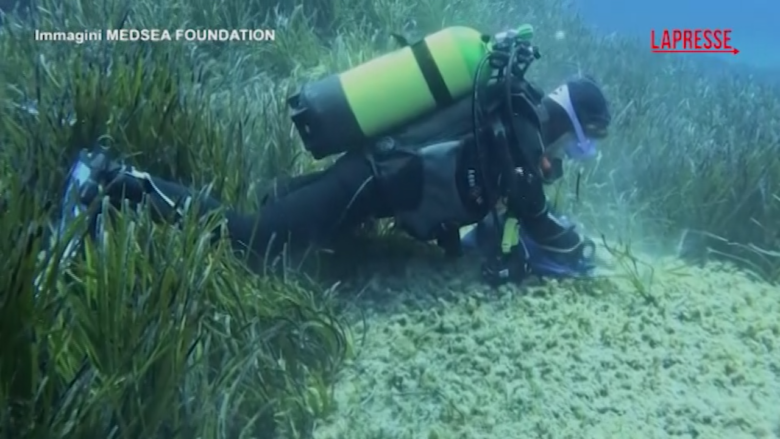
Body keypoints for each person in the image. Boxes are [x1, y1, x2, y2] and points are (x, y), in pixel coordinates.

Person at [63, 27, 611, 286]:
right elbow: (544, 227)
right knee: (253, 242)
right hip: (370, 179)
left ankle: (127, 194)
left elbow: (499, 220)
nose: (570, 158)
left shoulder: (513, 116)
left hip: (371, 181)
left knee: (281, 219)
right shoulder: (522, 130)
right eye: (581, 146)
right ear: (576, 130)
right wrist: (587, 255)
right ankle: (112, 180)